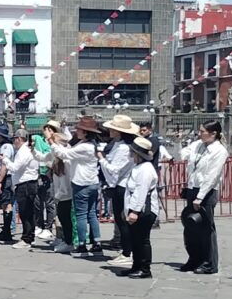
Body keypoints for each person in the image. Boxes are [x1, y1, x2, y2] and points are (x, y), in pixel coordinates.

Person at [180, 120, 229, 275]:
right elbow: (183, 154)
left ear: (213, 133)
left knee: (206, 228)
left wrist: (200, 197)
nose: (199, 134)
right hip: (192, 187)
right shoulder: (198, 145)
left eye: (203, 131)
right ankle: (194, 258)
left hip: (206, 192)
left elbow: (212, 176)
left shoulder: (219, 151)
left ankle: (209, 262)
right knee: (191, 226)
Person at [52, 116, 104, 257]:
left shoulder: (84, 147)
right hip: (92, 182)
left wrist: (52, 143)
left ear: (85, 132)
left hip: (82, 183)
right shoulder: (92, 144)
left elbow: (64, 153)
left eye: (79, 129)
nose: (77, 131)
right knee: (92, 214)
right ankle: (96, 243)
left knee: (81, 215)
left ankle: (82, 245)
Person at [99, 115, 141, 267]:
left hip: (122, 185)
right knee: (119, 219)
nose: (109, 130)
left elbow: (115, 169)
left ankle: (127, 252)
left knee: (122, 220)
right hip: (119, 184)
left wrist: (102, 159)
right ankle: (126, 250)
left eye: (113, 128)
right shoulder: (119, 144)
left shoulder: (123, 148)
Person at [118, 137, 160, 279]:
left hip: (144, 210)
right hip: (135, 208)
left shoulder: (145, 169)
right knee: (135, 239)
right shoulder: (138, 167)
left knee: (142, 239)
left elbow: (141, 191)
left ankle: (145, 268)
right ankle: (136, 266)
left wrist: (135, 211)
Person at [2, 129, 40, 249]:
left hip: (26, 184)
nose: (14, 141)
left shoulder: (24, 151)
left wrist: (5, 160)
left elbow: (15, 167)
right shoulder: (26, 150)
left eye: (14, 139)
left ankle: (27, 238)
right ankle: (29, 236)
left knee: (25, 212)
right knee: (28, 212)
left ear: (19, 139)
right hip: (27, 183)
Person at [0, 124, 15, 242]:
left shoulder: (6, 147)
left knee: (7, 204)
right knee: (3, 204)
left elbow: (4, 165)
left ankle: (7, 231)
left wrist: (0, 180)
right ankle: (5, 230)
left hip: (5, 178)